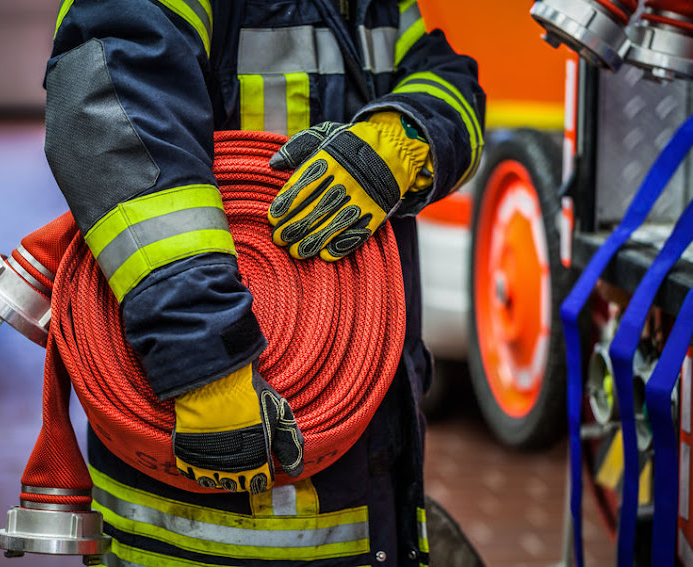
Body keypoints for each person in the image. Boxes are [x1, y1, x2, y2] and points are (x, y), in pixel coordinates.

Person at [43, 0, 486, 565]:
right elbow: (111, 118)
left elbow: (450, 78)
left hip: (360, 455)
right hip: (199, 458)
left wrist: (400, 135)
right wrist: (207, 362)